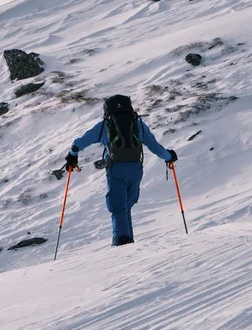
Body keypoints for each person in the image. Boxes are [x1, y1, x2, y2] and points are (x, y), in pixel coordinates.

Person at [64, 94, 176, 246]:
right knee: (126, 205)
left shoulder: (105, 125)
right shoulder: (138, 124)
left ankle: (121, 241)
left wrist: (72, 156)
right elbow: (155, 147)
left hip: (116, 169)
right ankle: (128, 240)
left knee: (117, 206)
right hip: (136, 169)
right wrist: (169, 156)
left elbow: (78, 143)